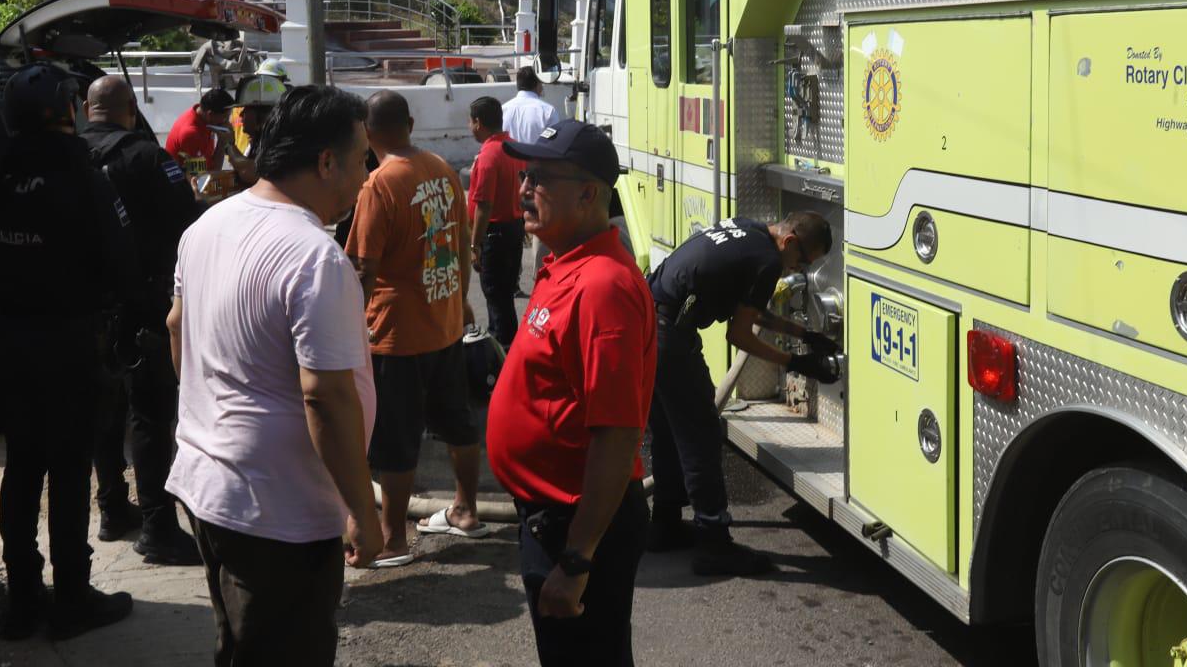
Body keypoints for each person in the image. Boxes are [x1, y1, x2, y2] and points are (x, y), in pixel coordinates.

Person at [166, 86, 382, 666]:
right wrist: (362, 510)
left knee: (239, 647)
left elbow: (176, 328)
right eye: (363, 158)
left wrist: (209, 418)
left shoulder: (207, 226)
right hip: (276, 513)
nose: (368, 174)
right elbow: (327, 398)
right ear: (326, 161)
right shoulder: (315, 257)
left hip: (212, 486)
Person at [0, 63, 138, 639]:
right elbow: (120, 263)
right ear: (67, 109)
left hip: (11, 343)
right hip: (71, 346)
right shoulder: (83, 178)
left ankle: (22, 602)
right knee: (67, 473)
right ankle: (71, 598)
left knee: (21, 469)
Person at [486, 119, 656, 665]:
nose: (523, 188)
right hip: (550, 517)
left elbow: (617, 434)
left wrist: (578, 560)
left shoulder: (602, 286)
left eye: (539, 177)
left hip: (573, 525)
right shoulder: (564, 263)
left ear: (588, 194)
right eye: (524, 174)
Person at [645, 212, 840, 576]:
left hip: (647, 319)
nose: (796, 270)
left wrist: (804, 335)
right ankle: (714, 543)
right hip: (668, 335)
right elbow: (739, 335)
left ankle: (666, 524)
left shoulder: (751, 230)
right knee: (702, 433)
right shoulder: (768, 261)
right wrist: (797, 363)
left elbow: (751, 311)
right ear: (790, 242)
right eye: (801, 261)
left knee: (671, 431)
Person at [345, 91, 483, 566]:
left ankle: (393, 539)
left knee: (394, 440)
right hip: (443, 325)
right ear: (408, 121)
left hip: (396, 334)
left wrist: (345, 327)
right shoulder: (442, 169)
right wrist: (460, 299)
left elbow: (363, 270)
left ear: (366, 132)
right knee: (457, 422)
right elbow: (463, 245)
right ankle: (465, 509)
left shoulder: (377, 185)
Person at [80, 75, 203, 566]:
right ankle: (157, 525)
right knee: (150, 415)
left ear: (86, 109)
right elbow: (188, 226)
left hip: (86, 311)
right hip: (143, 306)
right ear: (131, 108)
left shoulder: (69, 157)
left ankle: (112, 508)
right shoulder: (148, 158)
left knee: (105, 413)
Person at [466, 96, 524, 347]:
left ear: (478, 122)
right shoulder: (513, 147)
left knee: (496, 297)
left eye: (471, 122)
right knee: (504, 296)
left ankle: (503, 356)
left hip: (495, 236)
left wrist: (474, 244)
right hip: (514, 230)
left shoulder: (489, 154)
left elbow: (484, 205)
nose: (470, 127)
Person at [224, 73, 287, 188]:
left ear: (262, 116)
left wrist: (229, 144)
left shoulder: (275, 143)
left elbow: (251, 173)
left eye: (246, 110)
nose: (241, 114)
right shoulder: (258, 141)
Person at [165, 87, 234, 175]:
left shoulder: (204, 118)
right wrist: (222, 141)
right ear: (210, 114)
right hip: (184, 185)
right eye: (225, 117)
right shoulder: (191, 134)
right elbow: (203, 179)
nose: (227, 122)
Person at [502, 65, 559, 144]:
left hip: (507, 156)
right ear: (538, 84)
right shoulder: (548, 111)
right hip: (537, 156)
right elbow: (553, 145)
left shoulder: (502, 110)